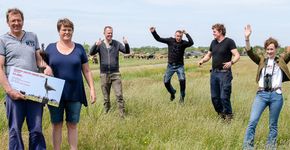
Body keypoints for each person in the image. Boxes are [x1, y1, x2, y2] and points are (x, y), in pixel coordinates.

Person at [0, 8, 52, 149]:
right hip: (14, 91)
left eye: (19, 20)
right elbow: (0, 67)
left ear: (23, 21)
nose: (16, 23)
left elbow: (39, 60)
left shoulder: (32, 36)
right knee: (15, 130)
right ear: (7, 22)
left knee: (36, 129)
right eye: (13, 21)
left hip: (34, 90)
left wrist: (46, 67)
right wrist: (10, 91)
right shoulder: (3, 40)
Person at [45, 18, 96, 150]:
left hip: (75, 93)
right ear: (59, 31)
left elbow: (87, 70)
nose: (67, 32)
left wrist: (92, 90)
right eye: (64, 29)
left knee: (72, 125)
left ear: (72, 31)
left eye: (69, 29)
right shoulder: (50, 48)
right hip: (54, 93)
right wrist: (45, 68)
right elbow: (42, 67)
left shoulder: (79, 48)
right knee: (57, 124)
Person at [243, 25, 290, 149]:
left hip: (276, 95)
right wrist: (247, 38)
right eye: (267, 49)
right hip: (261, 95)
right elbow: (249, 52)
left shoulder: (282, 60)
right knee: (252, 121)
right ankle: (248, 147)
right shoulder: (261, 60)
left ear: (276, 49)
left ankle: (270, 147)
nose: (269, 51)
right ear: (265, 50)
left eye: (272, 49)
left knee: (273, 125)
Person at [198, 23, 240, 120]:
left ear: (220, 31)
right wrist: (202, 60)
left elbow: (237, 55)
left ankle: (229, 116)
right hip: (214, 73)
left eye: (214, 31)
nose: (213, 33)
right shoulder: (213, 42)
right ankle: (221, 114)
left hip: (225, 73)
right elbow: (209, 55)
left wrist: (231, 62)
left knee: (224, 97)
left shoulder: (229, 42)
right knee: (214, 98)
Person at [90, 26, 129, 118]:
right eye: (108, 33)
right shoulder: (100, 44)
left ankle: (122, 115)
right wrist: (96, 45)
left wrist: (126, 43)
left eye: (111, 33)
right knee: (106, 98)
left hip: (115, 74)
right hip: (104, 74)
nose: (110, 34)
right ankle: (107, 113)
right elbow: (91, 53)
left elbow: (126, 51)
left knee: (119, 95)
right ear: (104, 33)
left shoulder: (117, 44)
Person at [149, 27, 193, 103]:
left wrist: (186, 33)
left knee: (182, 80)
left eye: (180, 36)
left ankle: (182, 97)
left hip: (180, 66)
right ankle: (172, 92)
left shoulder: (184, 43)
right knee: (166, 82)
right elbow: (158, 39)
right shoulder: (170, 41)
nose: (178, 38)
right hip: (170, 66)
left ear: (181, 36)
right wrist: (153, 32)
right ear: (175, 35)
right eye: (177, 36)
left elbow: (191, 42)